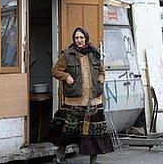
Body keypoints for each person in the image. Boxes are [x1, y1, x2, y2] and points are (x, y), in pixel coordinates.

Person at [47, 27, 114, 164]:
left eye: (82, 38)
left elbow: (102, 70)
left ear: (86, 38)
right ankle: (60, 157)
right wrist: (66, 76)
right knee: (66, 132)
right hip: (75, 102)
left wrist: (100, 79)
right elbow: (55, 71)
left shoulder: (94, 54)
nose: (79, 41)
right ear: (74, 39)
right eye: (77, 38)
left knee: (94, 133)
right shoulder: (67, 54)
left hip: (94, 100)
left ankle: (93, 161)